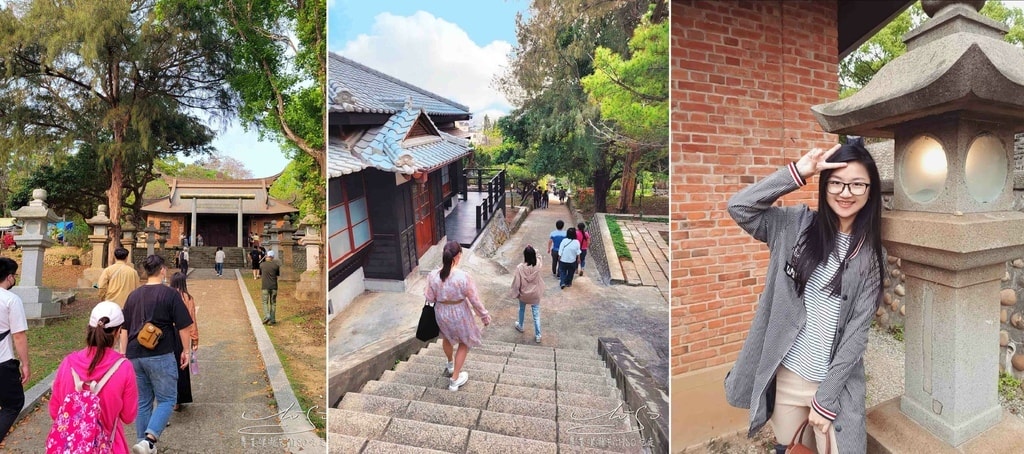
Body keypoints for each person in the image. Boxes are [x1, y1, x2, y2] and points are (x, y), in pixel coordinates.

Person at [724, 139, 885, 454]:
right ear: (825, 186)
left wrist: (825, 400)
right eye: (836, 183)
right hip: (788, 379)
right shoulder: (794, 225)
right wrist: (799, 171)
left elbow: (857, 333)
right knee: (793, 450)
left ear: (870, 190)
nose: (845, 192)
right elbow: (739, 207)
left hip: (835, 385)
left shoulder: (871, 254)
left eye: (856, 185)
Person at [122, 254, 194, 454]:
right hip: (160, 352)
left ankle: (142, 442)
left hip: (134, 353)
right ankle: (149, 439)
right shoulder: (170, 294)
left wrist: (123, 353)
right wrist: (186, 351)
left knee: (143, 401)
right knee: (167, 399)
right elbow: (184, 325)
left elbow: (125, 328)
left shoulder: (133, 295)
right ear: (162, 270)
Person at [48, 301, 138, 453]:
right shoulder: (124, 367)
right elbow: (128, 416)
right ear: (117, 332)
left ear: (89, 328)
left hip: (70, 447)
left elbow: (54, 411)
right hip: (109, 445)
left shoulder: (68, 363)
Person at [424, 241, 491, 391]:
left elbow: (429, 297)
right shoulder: (463, 277)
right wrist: (484, 315)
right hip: (460, 312)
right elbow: (474, 299)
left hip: (441, 312)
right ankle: (454, 379)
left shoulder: (433, 276)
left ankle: (450, 363)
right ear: (458, 256)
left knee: (447, 338)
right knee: (464, 342)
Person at [0, 258, 28, 444]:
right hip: (3, 361)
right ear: (9, 277)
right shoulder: (11, 299)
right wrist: (25, 364)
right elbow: (18, 336)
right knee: (13, 403)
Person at [168, 272, 197, 411]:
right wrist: (195, 338)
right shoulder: (188, 298)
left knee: (168, 366)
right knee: (181, 365)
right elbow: (192, 320)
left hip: (169, 333)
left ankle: (170, 398)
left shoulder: (167, 296)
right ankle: (179, 399)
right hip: (183, 333)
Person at [511, 245, 544, 343]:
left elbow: (517, 283)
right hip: (535, 294)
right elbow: (539, 256)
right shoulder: (538, 264)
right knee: (536, 314)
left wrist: (516, 293)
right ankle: (538, 335)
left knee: (521, 309)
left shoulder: (520, 268)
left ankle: (520, 325)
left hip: (524, 294)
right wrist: (533, 248)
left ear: (524, 255)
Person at [260, 250, 281, 325]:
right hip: (274, 286)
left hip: (265, 286)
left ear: (267, 256)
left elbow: (260, 274)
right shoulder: (276, 265)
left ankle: (267, 316)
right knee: (273, 303)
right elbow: (277, 275)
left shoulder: (262, 265)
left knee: (265, 302)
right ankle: (272, 319)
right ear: (273, 257)